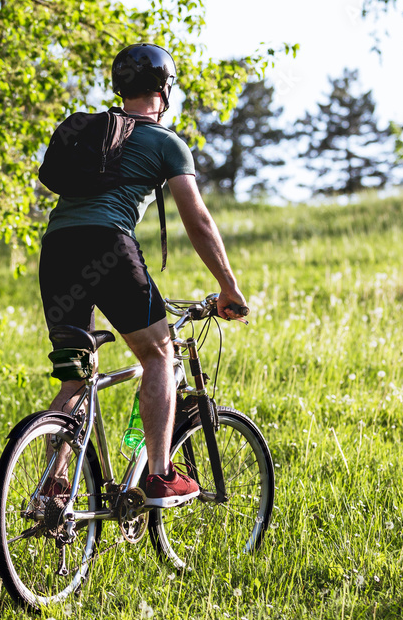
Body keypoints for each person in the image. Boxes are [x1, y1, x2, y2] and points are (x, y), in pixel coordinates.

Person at [38, 43, 247, 507]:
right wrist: (228, 286)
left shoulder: (95, 132)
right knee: (158, 355)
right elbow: (198, 221)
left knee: (76, 375)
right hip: (106, 244)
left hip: (56, 249)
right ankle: (158, 475)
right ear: (164, 89)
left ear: (120, 88)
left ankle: (52, 487)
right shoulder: (165, 142)